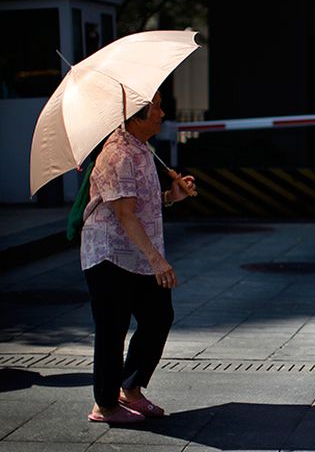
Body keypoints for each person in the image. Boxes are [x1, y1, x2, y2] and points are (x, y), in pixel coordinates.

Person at [80, 91, 195, 423]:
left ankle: (130, 387)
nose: (162, 112)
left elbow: (142, 202)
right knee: (112, 328)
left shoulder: (143, 149)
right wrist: (157, 260)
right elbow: (125, 214)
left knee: (159, 316)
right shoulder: (117, 154)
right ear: (135, 116)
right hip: (109, 255)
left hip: (137, 251)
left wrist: (171, 196)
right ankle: (104, 405)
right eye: (155, 107)